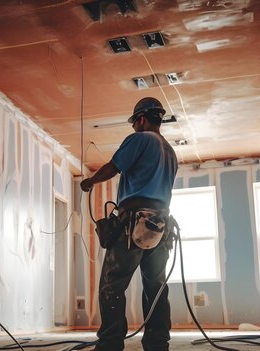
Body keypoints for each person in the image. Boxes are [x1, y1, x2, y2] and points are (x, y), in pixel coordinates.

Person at [80, 97, 178, 351]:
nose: (134, 127)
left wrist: (91, 181)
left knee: (111, 285)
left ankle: (110, 345)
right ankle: (158, 345)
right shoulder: (170, 151)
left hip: (133, 223)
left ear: (142, 119)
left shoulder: (140, 139)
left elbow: (113, 167)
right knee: (155, 288)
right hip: (160, 226)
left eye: (135, 122)